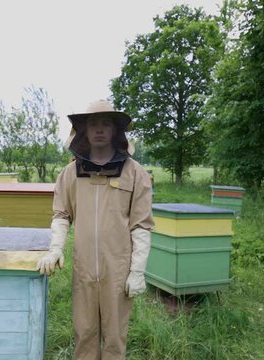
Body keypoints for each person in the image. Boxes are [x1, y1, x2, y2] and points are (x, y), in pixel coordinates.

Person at [37, 99, 155, 359]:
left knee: (115, 337)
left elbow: (141, 226)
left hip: (119, 270)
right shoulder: (69, 174)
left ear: (115, 130)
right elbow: (61, 214)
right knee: (85, 333)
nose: (100, 129)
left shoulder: (135, 173)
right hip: (84, 269)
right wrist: (56, 248)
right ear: (84, 130)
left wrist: (137, 270)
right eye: (93, 124)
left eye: (106, 123)